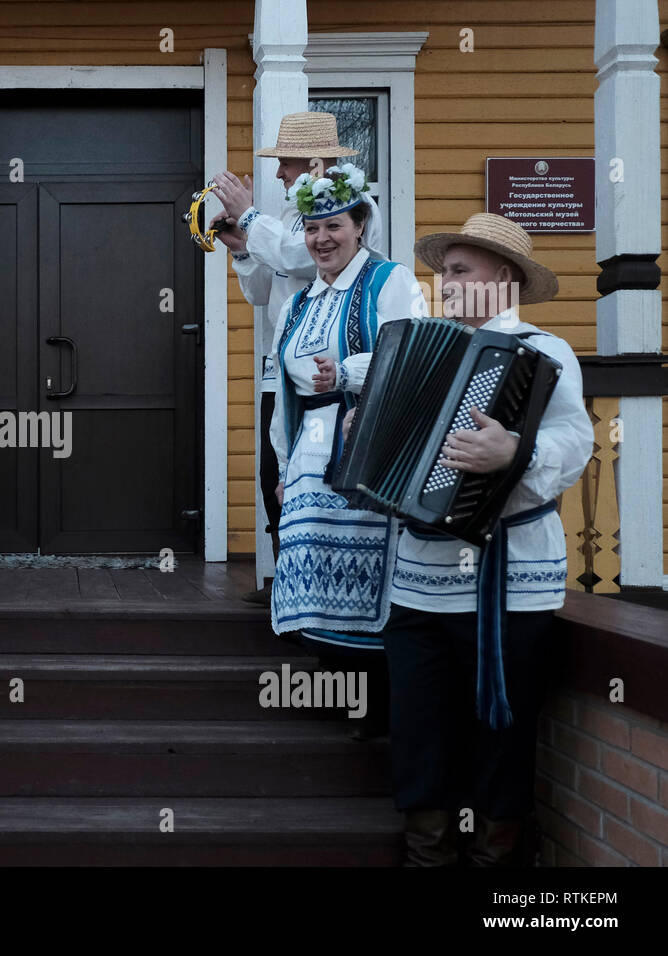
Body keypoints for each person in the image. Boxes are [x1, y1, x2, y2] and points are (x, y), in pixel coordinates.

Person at [380, 213, 592, 865]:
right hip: (419, 576)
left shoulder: (542, 350)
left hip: (509, 577)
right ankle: (427, 851)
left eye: (459, 270)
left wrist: (514, 452)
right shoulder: (423, 348)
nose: (444, 282)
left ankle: (497, 862)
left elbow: (576, 441)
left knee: (503, 733)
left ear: (502, 278)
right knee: (418, 728)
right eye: (442, 271)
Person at [267, 164, 426, 738]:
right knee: (319, 575)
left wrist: (351, 372)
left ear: (361, 225)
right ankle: (338, 698)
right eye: (311, 228)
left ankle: (376, 709)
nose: (321, 239)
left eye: (333, 225)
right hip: (312, 452)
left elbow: (412, 353)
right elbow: (284, 393)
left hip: (368, 444)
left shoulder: (389, 281)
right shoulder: (297, 302)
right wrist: (284, 467)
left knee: (368, 574)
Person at [210, 111, 385, 606]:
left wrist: (248, 217)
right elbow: (266, 291)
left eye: (284, 165)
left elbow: (295, 257)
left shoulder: (354, 204)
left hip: (338, 368)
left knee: (330, 471)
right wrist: (243, 251)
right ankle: (290, 578)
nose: (280, 175)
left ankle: (334, 584)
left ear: (311, 160)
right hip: (284, 368)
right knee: (276, 475)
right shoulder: (287, 218)